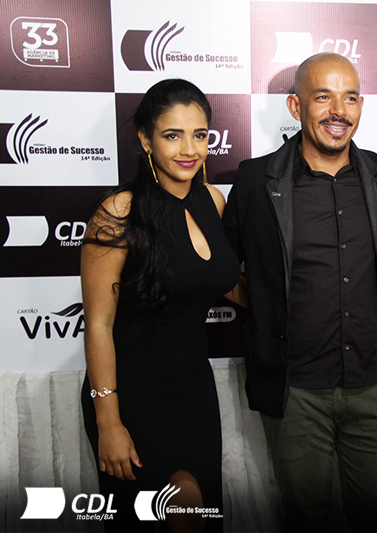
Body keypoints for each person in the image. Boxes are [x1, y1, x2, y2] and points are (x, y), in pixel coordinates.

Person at [222, 52, 377, 532]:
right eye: (323, 96)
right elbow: (221, 271)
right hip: (295, 389)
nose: (338, 111)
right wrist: (264, 306)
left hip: (376, 385)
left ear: (362, 105)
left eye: (350, 97)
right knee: (306, 519)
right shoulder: (254, 180)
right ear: (294, 106)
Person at [80, 79, 240, 532]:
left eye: (200, 134)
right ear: (145, 139)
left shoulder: (213, 199)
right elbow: (97, 325)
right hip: (132, 392)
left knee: (200, 516)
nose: (190, 148)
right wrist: (108, 422)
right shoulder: (118, 213)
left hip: (192, 388)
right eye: (173, 135)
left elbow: (214, 280)